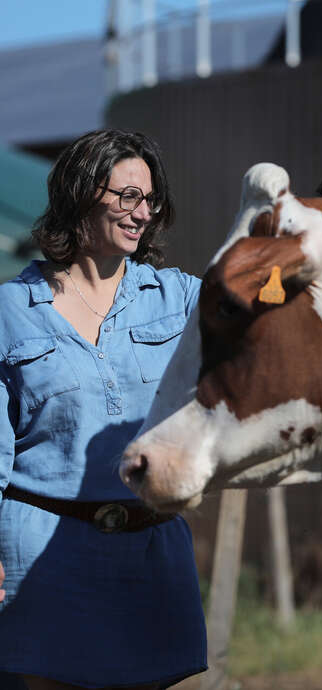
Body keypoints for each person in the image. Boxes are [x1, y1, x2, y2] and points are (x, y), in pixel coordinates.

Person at [0, 129, 207, 690]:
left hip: (151, 556)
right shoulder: (10, 311)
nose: (143, 212)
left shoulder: (181, 298)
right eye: (128, 196)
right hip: (43, 561)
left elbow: (261, 311)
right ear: (81, 194)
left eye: (150, 199)